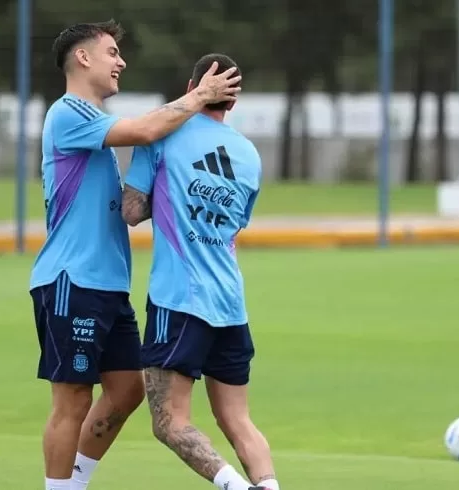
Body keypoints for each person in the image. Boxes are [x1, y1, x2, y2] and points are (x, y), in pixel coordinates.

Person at [30, 21, 241, 490]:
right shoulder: (67, 113)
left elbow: (132, 201)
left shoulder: (93, 122)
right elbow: (147, 130)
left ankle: (76, 481)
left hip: (107, 286)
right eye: (111, 52)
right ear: (82, 58)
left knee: (126, 390)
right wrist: (200, 96)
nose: (120, 61)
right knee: (72, 400)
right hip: (71, 280)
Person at [121, 53, 278, 490]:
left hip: (179, 299)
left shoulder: (162, 135)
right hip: (230, 303)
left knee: (169, 422)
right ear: (233, 100)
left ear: (193, 86)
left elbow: (132, 211)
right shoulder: (249, 155)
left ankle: (236, 488)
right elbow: (234, 225)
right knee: (237, 419)